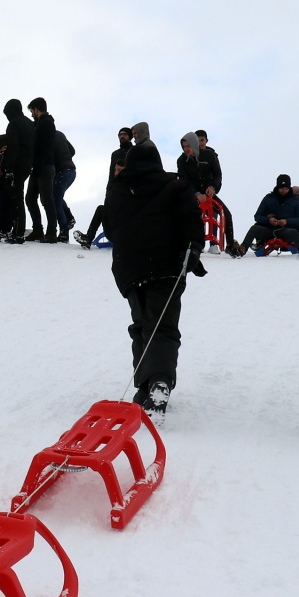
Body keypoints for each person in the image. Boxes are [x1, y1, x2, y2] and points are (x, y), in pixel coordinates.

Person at [103, 139, 207, 417]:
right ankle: (158, 381)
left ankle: (145, 383)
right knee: (162, 324)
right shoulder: (175, 185)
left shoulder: (118, 189)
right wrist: (193, 247)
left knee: (142, 325)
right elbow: (191, 220)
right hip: (166, 265)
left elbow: (111, 228)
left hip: (130, 268)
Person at [78, 126, 134, 248]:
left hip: (127, 201)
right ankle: (88, 238)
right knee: (101, 209)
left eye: (124, 134)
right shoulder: (115, 154)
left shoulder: (134, 152)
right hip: (114, 191)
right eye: (120, 134)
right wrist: (109, 191)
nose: (122, 136)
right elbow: (111, 174)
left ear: (130, 136)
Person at [191, 130, 242, 255]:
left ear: (206, 141)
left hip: (209, 193)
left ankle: (227, 245)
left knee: (225, 214)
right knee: (192, 215)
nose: (200, 143)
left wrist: (212, 188)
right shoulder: (188, 156)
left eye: (202, 140)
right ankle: (194, 243)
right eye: (197, 141)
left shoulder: (211, 155)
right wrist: (196, 193)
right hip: (193, 193)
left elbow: (218, 175)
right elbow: (185, 179)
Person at [240, 174, 299, 256]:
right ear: (277, 187)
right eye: (282, 188)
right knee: (254, 229)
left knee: (294, 232)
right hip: (269, 230)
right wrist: (268, 220)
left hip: (286, 230)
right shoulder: (268, 198)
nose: (284, 191)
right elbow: (257, 216)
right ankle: (242, 249)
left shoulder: (295, 200)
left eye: (286, 188)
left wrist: (287, 221)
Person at [0, 99, 35, 243]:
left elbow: (13, 146)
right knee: (19, 196)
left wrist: (9, 168)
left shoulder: (13, 124)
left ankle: (18, 232)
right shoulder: (29, 123)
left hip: (18, 165)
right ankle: (18, 230)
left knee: (16, 197)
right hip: (28, 164)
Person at [25, 98, 59, 242]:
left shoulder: (46, 123)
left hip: (44, 166)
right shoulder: (41, 123)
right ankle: (38, 230)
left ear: (36, 109)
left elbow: (44, 147)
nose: (32, 114)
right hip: (40, 166)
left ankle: (51, 232)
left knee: (46, 200)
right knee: (31, 198)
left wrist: (37, 165)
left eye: (32, 111)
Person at [53, 129, 76, 242]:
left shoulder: (46, 135)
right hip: (71, 170)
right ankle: (69, 217)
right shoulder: (60, 134)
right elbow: (72, 150)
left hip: (62, 171)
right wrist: (66, 158)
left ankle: (64, 232)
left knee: (56, 199)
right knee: (57, 196)